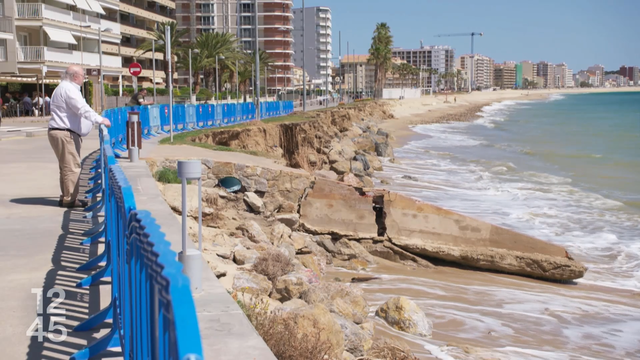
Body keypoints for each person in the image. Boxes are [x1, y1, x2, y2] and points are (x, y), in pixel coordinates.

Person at [48, 65, 111, 208]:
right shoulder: (69, 89)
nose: (84, 79)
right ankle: (70, 199)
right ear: (75, 76)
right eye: (83, 76)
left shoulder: (62, 88)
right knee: (72, 167)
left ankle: (66, 196)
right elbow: (82, 108)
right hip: (65, 133)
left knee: (65, 166)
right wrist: (100, 119)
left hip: (60, 131)